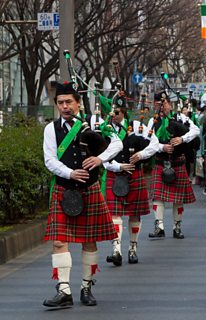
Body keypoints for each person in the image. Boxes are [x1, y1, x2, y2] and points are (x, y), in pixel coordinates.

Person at [43, 82, 122, 308]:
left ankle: (86, 287)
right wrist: (69, 172)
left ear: (78, 103)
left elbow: (116, 144)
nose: (65, 106)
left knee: (89, 241)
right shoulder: (51, 129)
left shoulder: (95, 123)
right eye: (60, 103)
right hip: (64, 189)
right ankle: (64, 290)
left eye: (69, 102)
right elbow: (49, 160)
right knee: (59, 242)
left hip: (89, 188)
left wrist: (100, 159)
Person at [103, 105, 160, 266]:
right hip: (115, 174)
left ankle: (133, 248)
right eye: (112, 113)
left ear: (124, 112)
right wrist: (118, 166)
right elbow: (101, 154)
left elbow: (154, 144)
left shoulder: (137, 126)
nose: (114, 116)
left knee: (135, 214)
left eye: (117, 113)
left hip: (134, 174)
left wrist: (142, 154)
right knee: (115, 214)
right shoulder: (105, 129)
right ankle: (116, 250)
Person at [147, 92, 200, 239]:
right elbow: (148, 139)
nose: (161, 107)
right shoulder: (153, 121)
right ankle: (159, 226)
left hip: (177, 161)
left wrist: (182, 139)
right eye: (158, 104)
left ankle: (177, 227)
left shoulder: (181, 118)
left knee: (178, 198)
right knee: (157, 196)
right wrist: (161, 147)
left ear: (170, 104)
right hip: (160, 161)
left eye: (164, 104)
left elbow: (196, 130)